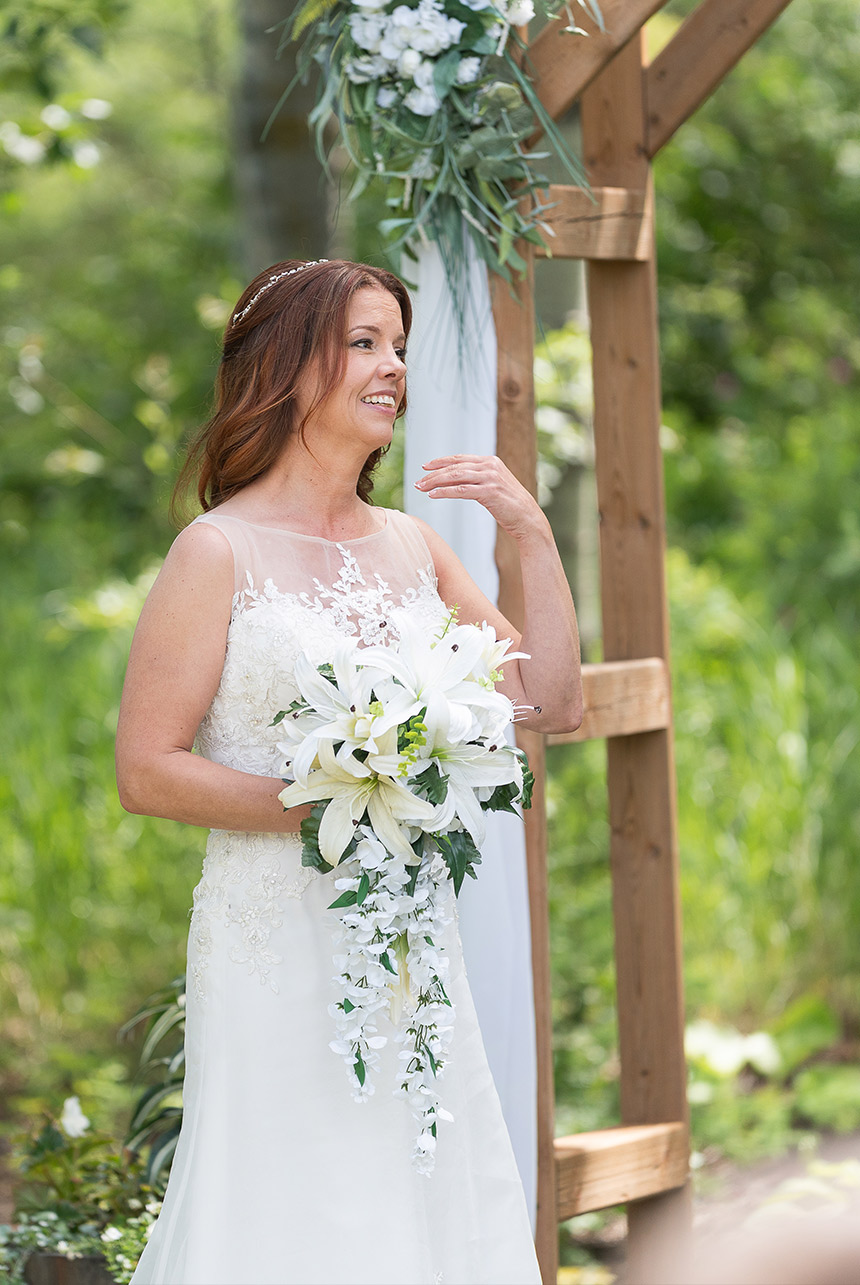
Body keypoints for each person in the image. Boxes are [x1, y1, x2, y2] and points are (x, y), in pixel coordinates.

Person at [116, 258, 582, 1285]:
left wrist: (529, 533)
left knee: (409, 1180)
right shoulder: (216, 551)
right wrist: (335, 805)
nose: (392, 369)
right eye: (364, 343)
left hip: (410, 941)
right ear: (284, 368)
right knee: (292, 1191)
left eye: (399, 347)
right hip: (273, 937)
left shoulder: (414, 548)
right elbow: (147, 770)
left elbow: (549, 701)